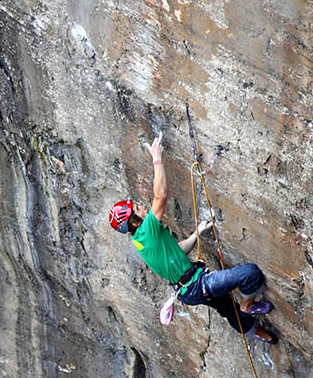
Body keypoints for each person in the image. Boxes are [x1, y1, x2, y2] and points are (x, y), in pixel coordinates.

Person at [109, 132, 276, 342]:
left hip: (189, 288)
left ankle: (257, 333)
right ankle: (248, 305)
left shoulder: (140, 240)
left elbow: (176, 253)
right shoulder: (145, 231)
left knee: (228, 309)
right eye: (137, 208)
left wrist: (196, 234)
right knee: (250, 273)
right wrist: (157, 160)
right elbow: (160, 196)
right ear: (134, 222)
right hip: (198, 285)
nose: (142, 205)